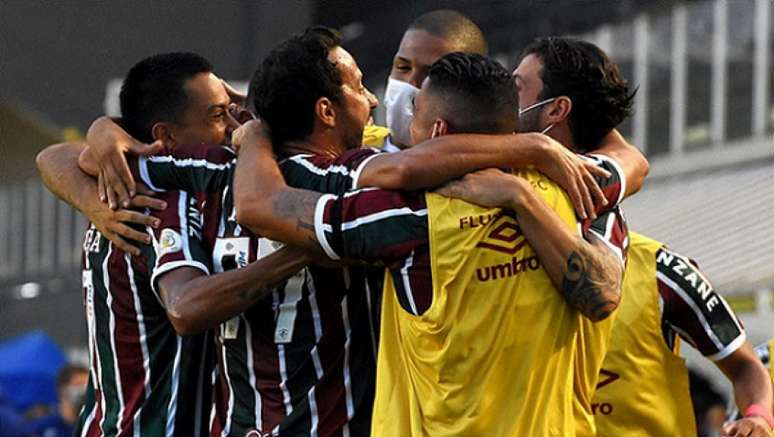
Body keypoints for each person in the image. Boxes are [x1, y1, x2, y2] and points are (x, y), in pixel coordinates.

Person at [231, 50, 630, 436]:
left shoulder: (403, 215)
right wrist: (531, 166)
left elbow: (260, 204)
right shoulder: (580, 190)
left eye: (415, 114)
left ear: (438, 132)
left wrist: (257, 134)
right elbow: (603, 289)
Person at [512, 36, 774, 437]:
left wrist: (757, 414)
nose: (504, 101)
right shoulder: (496, 258)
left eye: (516, 87)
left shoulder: (661, 271)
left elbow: (746, 366)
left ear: (556, 110)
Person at [37, 52, 308, 437]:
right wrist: (305, 247)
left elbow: (54, 156)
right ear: (165, 136)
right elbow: (186, 306)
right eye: (217, 116)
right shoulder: (163, 202)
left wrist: (101, 137)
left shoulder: (113, 185)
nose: (231, 127)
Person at [383, 9, 488, 150]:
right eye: (403, 67)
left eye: (430, 73)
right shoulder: (352, 148)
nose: (410, 83)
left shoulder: (494, 166)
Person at [28, 365, 88, 437]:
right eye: (78, 384)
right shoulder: (42, 426)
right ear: (62, 389)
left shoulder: (92, 425)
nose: (84, 390)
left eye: (87, 385)